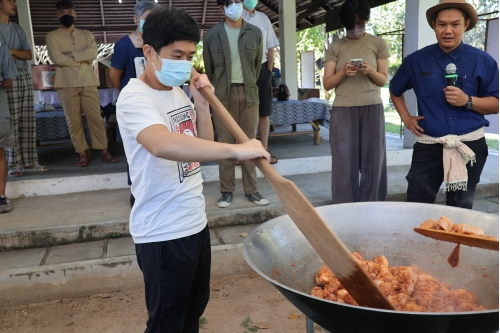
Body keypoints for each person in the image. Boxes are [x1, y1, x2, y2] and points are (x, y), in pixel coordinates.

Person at [116, 7, 269, 332]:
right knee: (166, 323)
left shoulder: (176, 92)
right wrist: (238, 150)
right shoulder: (134, 98)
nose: (185, 63)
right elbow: (162, 144)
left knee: (191, 314)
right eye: (176, 55)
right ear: (149, 52)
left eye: (189, 55)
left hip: (194, 224)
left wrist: (200, 104)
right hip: (162, 232)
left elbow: (199, 145)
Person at [390, 0, 499, 209]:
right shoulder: (416, 61)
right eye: (442, 24)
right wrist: (406, 118)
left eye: (455, 24)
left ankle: (454, 243)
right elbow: (395, 90)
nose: (448, 31)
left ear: (466, 24)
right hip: (429, 145)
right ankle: (419, 242)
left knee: (460, 208)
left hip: (469, 145)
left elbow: (495, 104)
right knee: (416, 203)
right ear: (433, 25)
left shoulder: (483, 61)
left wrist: (467, 100)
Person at [322, 0, 389, 204]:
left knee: (373, 160)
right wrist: (343, 72)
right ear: (345, 23)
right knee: (344, 163)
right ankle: (345, 207)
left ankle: (373, 206)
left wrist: (370, 71)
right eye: (352, 24)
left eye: (361, 23)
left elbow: (383, 79)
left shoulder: (378, 43)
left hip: (372, 107)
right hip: (343, 109)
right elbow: (327, 84)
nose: (356, 28)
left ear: (366, 20)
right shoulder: (335, 47)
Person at [204, 0, 269, 208]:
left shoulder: (255, 33)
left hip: (249, 92)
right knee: (225, 143)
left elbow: (257, 66)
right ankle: (226, 191)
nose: (235, 6)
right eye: (229, 3)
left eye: (237, 2)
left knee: (250, 141)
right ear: (221, 8)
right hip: (223, 94)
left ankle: (252, 190)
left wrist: (245, 83)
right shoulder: (212, 35)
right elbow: (210, 68)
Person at [46, 0, 118, 167]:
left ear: (75, 14)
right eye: (63, 12)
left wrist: (69, 56)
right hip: (65, 83)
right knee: (73, 120)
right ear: (57, 15)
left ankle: (104, 150)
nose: (67, 15)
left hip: (88, 82)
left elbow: (92, 54)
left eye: (70, 12)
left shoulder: (87, 34)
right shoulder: (52, 36)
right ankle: (82, 153)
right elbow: (56, 58)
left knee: (96, 118)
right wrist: (80, 57)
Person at [110, 0, 156, 207]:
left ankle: (155, 189)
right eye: (147, 19)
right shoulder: (123, 45)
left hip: (156, 102)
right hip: (135, 105)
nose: (151, 23)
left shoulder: (159, 42)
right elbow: (115, 76)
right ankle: (136, 191)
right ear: (136, 19)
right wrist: (129, 96)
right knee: (135, 150)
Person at [0, 0, 49, 177]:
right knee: (11, 121)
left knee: (28, 119)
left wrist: (9, 50)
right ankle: (14, 164)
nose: (13, 4)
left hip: (24, 75)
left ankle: (30, 161)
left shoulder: (18, 29)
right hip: (7, 77)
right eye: (9, 0)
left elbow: (28, 54)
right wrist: (11, 53)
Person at [242, 0, 279, 164]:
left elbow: (270, 46)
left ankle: (264, 150)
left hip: (262, 69)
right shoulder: (235, 17)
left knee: (264, 111)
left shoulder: (264, 18)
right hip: (241, 69)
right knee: (243, 109)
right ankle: (243, 151)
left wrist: (269, 70)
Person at [0, 41, 18, 213]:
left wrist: (0, 83)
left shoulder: (1, 48)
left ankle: (1, 197)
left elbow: (9, 82)